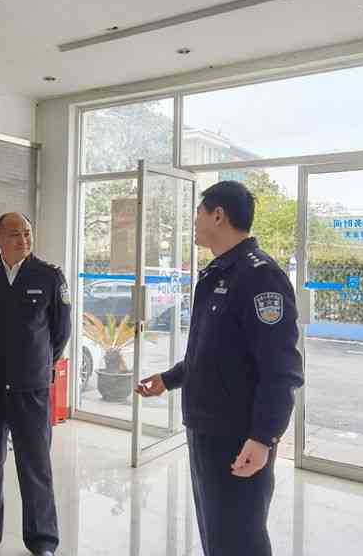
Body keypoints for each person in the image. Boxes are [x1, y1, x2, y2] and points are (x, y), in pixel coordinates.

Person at [136, 181, 304, 556]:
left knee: (240, 539)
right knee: (218, 535)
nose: (194, 222)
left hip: (237, 437)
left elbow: (281, 369)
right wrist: (168, 379)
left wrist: (263, 437)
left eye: (197, 213)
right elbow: (211, 353)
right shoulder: (217, 273)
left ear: (218, 215)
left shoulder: (259, 275)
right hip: (206, 429)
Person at [0, 213, 72, 556]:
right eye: (14, 234)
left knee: (35, 466)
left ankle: (42, 539)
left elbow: (60, 332)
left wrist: (36, 362)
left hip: (31, 388)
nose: (23, 239)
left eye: (27, 233)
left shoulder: (49, 276)